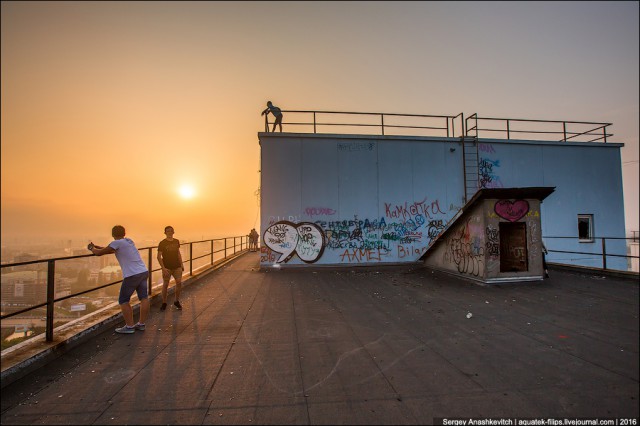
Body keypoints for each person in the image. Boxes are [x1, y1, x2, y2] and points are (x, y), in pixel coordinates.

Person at [89, 225, 149, 334]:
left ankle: (129, 326)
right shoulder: (128, 241)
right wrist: (97, 246)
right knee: (143, 298)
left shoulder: (116, 243)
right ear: (124, 233)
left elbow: (99, 253)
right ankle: (141, 324)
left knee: (123, 300)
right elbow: (110, 249)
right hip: (143, 271)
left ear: (112, 234)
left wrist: (91, 248)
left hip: (132, 275)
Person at [157, 226, 184, 311]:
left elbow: (178, 254)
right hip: (167, 267)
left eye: (171, 231)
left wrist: (181, 264)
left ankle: (176, 301)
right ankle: (164, 302)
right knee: (165, 284)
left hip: (177, 266)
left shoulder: (176, 241)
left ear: (173, 232)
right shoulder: (162, 243)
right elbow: (158, 256)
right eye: (168, 231)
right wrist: (163, 268)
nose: (169, 232)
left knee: (179, 283)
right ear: (165, 233)